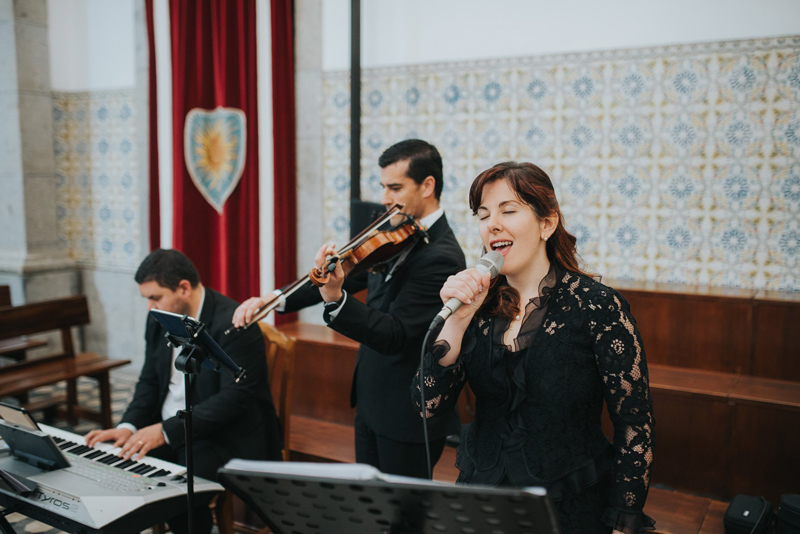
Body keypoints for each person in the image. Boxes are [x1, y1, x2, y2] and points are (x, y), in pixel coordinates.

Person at [412, 162, 656, 534]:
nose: (492, 225)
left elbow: (634, 421)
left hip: (569, 500)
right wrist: (457, 322)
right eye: (483, 215)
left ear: (547, 224)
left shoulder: (595, 306)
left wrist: (625, 515)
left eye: (508, 211)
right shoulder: (476, 306)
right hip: (485, 495)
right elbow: (426, 405)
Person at [233, 139, 465, 479]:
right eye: (383, 187)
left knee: (399, 509)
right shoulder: (396, 232)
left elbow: (395, 335)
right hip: (371, 403)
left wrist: (336, 300)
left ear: (427, 186)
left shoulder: (442, 256)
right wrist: (274, 299)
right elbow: (345, 274)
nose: (385, 198)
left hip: (405, 416)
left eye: (395, 188)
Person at [86, 249, 282, 534]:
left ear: (184, 288)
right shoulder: (159, 318)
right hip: (171, 428)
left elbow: (234, 400)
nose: (150, 307)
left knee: (178, 495)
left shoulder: (234, 323)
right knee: (118, 468)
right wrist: (128, 427)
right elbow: (149, 381)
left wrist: (164, 431)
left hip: (222, 435)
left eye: (155, 297)